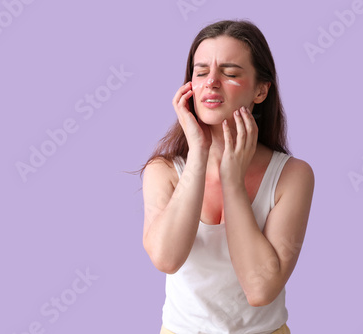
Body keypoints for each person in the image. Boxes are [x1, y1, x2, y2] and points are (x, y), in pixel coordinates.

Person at [138, 19, 314, 334]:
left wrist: (232, 181)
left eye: (230, 73)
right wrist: (199, 152)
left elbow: (260, 290)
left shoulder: (292, 175)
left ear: (260, 90)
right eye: (201, 72)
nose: (212, 82)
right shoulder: (162, 172)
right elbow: (166, 258)